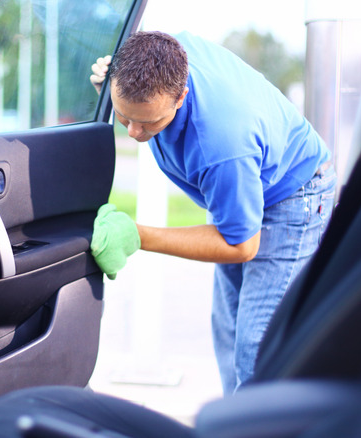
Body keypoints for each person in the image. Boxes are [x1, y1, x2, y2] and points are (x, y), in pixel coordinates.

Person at [89, 31, 335, 394]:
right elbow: (135, 96)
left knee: (257, 351)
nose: (134, 133)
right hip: (245, 181)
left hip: (292, 195)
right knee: (229, 330)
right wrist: (108, 90)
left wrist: (138, 235)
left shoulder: (223, 142)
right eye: (124, 117)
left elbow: (240, 245)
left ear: (181, 97)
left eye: (149, 123)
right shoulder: (157, 57)